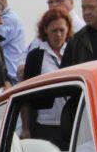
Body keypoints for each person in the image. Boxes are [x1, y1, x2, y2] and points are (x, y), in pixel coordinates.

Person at [21, 9, 73, 143]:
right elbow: (26, 94)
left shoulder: (73, 51)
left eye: (62, 30)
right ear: (45, 30)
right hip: (44, 124)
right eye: (54, 31)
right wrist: (25, 128)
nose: (58, 35)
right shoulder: (36, 56)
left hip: (72, 121)